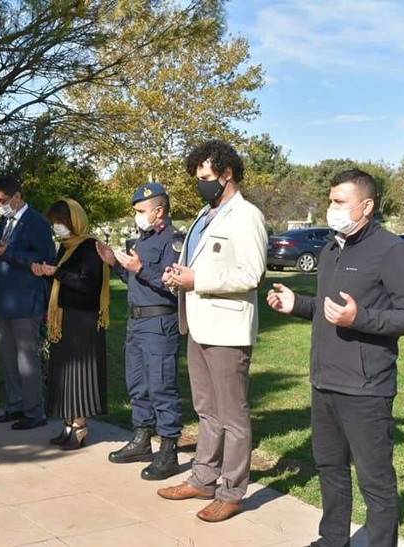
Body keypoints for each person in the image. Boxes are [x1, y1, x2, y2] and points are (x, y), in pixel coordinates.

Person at [266, 169, 404, 546]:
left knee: (375, 480)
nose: (331, 209)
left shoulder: (392, 250)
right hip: (324, 382)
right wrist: (298, 305)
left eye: (340, 202)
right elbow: (330, 308)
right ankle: (332, 539)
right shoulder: (331, 248)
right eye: (330, 200)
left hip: (366, 387)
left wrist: (362, 318)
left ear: (366, 206)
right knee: (329, 468)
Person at [157, 139, 268, 523]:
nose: (201, 184)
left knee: (232, 415)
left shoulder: (247, 215)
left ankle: (232, 490)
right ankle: (203, 478)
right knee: (206, 410)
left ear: (227, 173)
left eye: (205, 177)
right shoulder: (206, 214)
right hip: (198, 324)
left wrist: (197, 278)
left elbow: (252, 274)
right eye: (198, 178)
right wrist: (179, 276)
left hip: (227, 330)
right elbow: (196, 264)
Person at [96, 182, 184, 480]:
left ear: (159, 211)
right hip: (136, 322)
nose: (137, 216)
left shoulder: (173, 241)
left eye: (141, 211)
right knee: (137, 384)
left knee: (161, 385)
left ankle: (168, 450)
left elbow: (171, 283)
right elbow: (135, 278)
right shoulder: (142, 241)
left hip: (159, 322)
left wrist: (139, 268)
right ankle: (142, 439)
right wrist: (114, 263)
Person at [0, 174, 56, 430]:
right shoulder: (5, 221)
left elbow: (44, 257)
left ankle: (35, 412)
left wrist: (9, 253)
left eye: (2, 200)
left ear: (17, 196)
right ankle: (15, 405)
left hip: (26, 301)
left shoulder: (35, 222)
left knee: (27, 359)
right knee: (8, 357)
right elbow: (0, 257)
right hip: (4, 300)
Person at [31, 199, 110, 450]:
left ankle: (79, 426)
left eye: (61, 222)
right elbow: (61, 276)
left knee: (79, 374)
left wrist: (56, 273)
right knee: (63, 373)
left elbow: (88, 283)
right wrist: (48, 272)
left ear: (74, 220)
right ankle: (67, 423)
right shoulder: (65, 247)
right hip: (64, 316)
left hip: (83, 319)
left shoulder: (89, 246)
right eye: (55, 222)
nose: (57, 227)